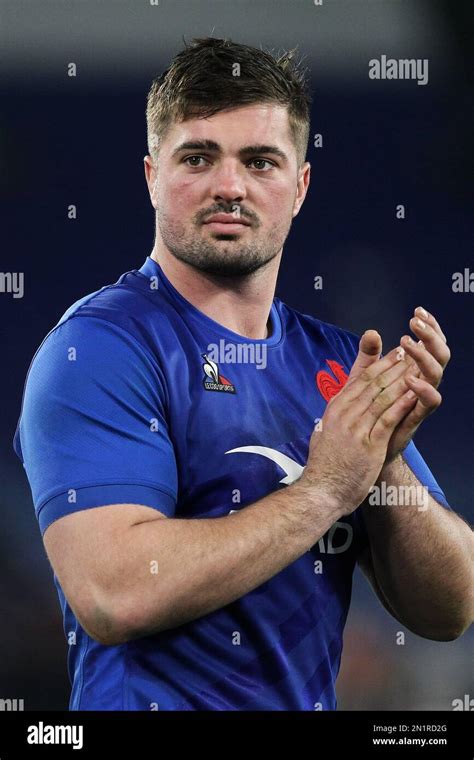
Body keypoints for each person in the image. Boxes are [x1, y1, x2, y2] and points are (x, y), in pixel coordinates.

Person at [13, 37, 472, 711]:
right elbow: (114, 594)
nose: (230, 186)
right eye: (198, 157)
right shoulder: (99, 351)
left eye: (260, 161)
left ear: (299, 187)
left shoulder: (339, 367)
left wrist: (388, 462)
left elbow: (451, 609)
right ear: (151, 176)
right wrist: (324, 490)